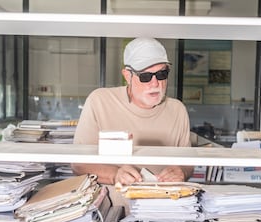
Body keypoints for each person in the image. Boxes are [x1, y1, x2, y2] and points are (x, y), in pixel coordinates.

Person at [71, 37, 194, 187]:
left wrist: (181, 171)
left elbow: (188, 164)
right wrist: (114, 175)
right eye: (145, 76)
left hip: (162, 204)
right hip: (114, 205)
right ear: (127, 76)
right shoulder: (100, 102)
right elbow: (79, 164)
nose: (155, 83)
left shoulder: (177, 110)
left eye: (162, 74)